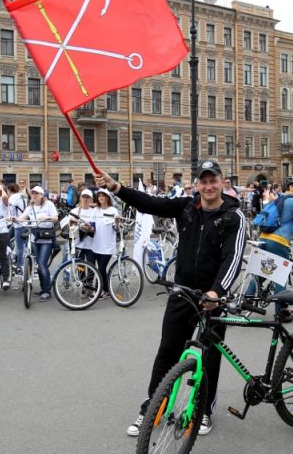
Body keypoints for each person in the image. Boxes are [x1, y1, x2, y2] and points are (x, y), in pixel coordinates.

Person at [96, 160, 245, 438]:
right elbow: (149, 203)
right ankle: (153, 408)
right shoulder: (186, 207)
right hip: (183, 292)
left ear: (223, 183)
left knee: (209, 356)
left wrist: (217, 292)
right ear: (197, 185)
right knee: (167, 352)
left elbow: (232, 260)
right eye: (204, 181)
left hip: (214, 297)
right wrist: (116, 188)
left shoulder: (233, 215)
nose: (209, 186)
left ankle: (203, 410)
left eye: (214, 181)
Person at [254, 175, 293, 321]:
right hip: (278, 241)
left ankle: (247, 300)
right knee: (280, 276)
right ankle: (281, 312)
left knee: (262, 271)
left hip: (264, 237)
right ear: (291, 188)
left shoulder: (278, 199)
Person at [12, 185, 58, 301]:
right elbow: (22, 217)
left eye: (37, 193)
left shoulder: (49, 204)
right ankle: (43, 288)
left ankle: (47, 291)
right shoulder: (30, 206)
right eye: (32, 193)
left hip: (46, 238)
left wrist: (46, 217)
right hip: (33, 238)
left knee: (42, 264)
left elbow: (55, 218)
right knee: (38, 265)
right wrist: (14, 219)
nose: (34, 195)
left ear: (42, 195)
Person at [93, 189, 119, 300]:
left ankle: (99, 290)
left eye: (103, 196)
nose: (101, 198)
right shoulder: (96, 210)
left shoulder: (113, 210)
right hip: (97, 244)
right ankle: (106, 289)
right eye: (99, 196)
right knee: (101, 269)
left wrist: (117, 223)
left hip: (108, 245)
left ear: (107, 197)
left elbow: (116, 228)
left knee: (101, 268)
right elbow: (92, 225)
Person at [68, 188, 96, 262]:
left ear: (91, 199)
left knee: (91, 268)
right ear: (80, 198)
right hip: (78, 244)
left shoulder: (94, 212)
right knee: (80, 270)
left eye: (88, 197)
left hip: (91, 245)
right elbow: (68, 228)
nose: (85, 199)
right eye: (83, 197)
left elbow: (96, 229)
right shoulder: (74, 211)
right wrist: (73, 223)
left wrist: (88, 228)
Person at [7, 183, 28, 276]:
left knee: (20, 248)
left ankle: (19, 267)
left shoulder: (13, 197)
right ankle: (13, 254)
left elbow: (8, 209)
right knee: (6, 237)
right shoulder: (22, 196)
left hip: (19, 224)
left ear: (8, 190)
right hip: (21, 223)